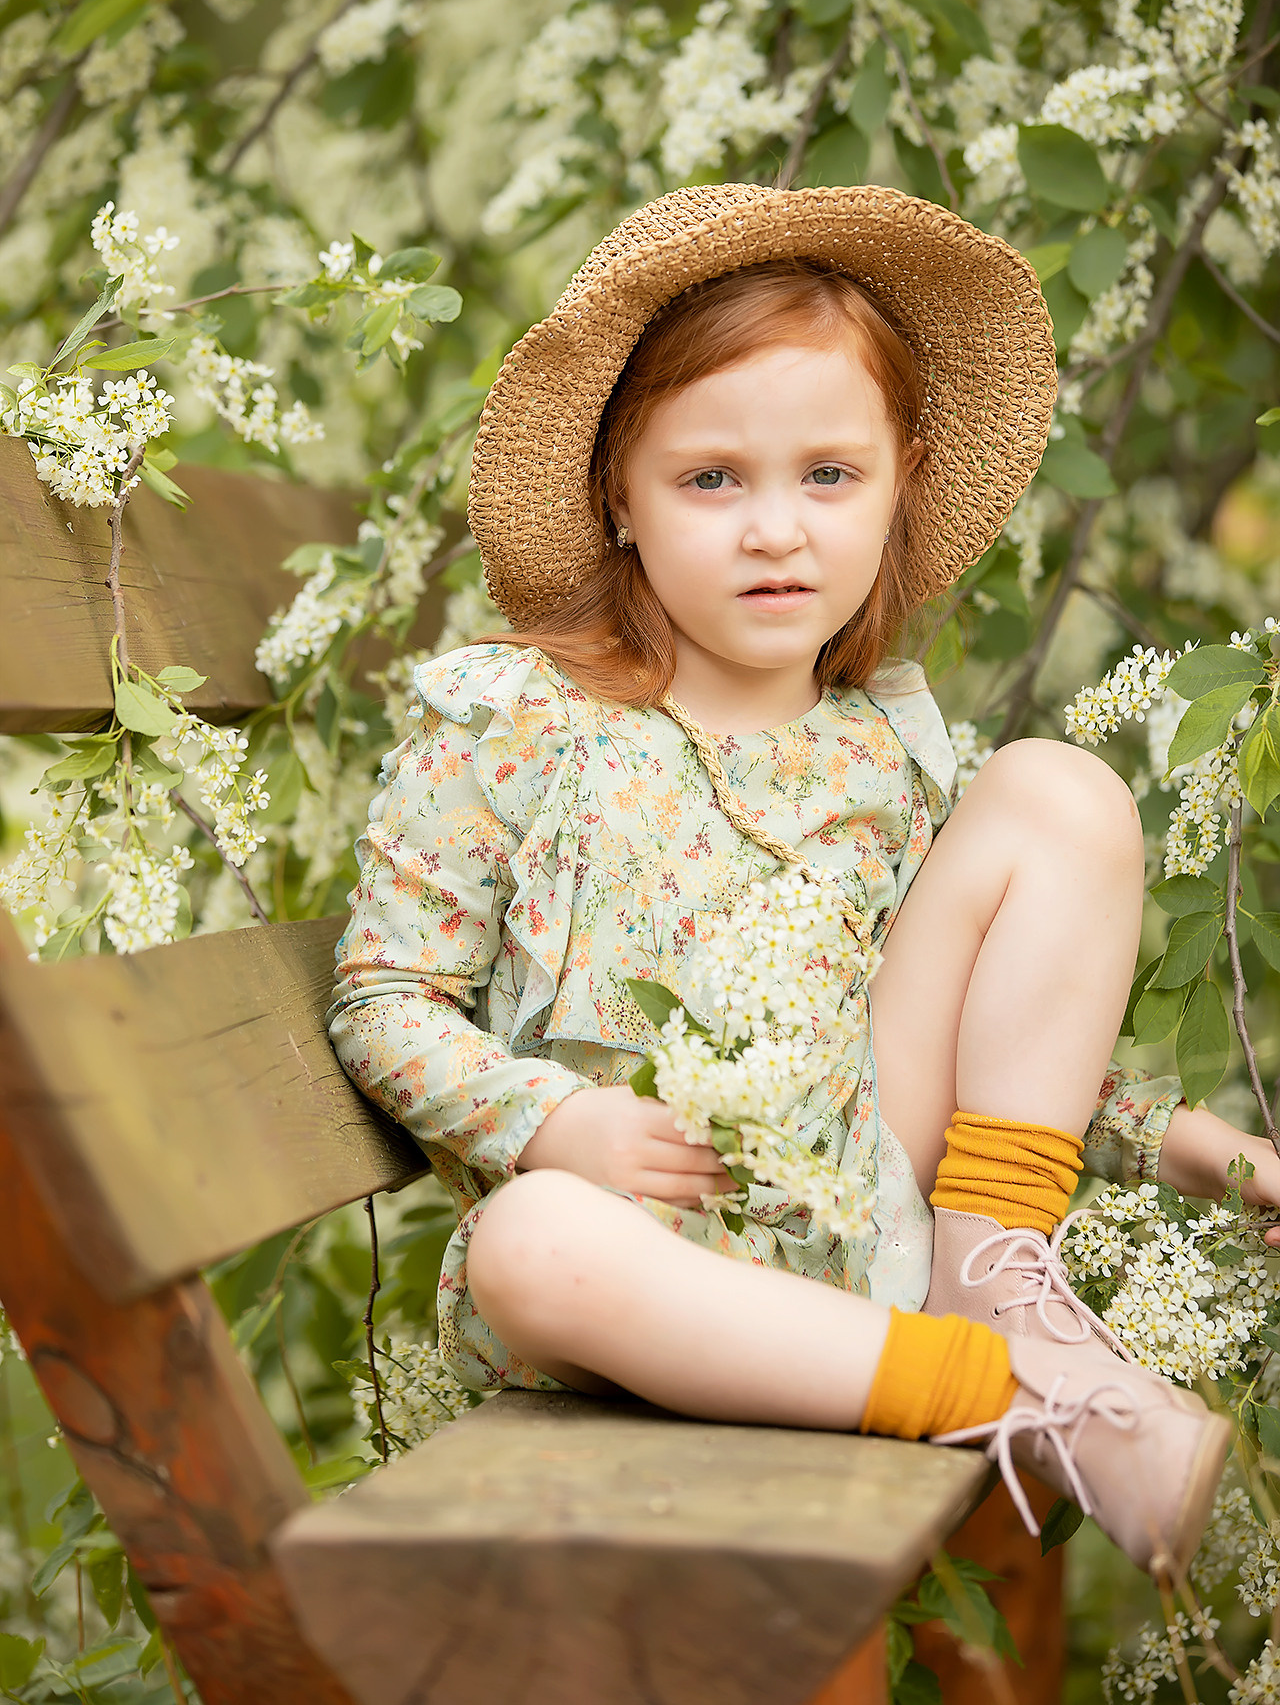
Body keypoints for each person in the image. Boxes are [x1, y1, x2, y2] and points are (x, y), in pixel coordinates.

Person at [329, 183, 1260, 1580]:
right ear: (620, 497)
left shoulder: (883, 751)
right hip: (654, 1260)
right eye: (712, 480)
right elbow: (386, 1000)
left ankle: (1001, 1295)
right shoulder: (517, 723)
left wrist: (1204, 1151)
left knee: (1058, 790)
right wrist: (554, 1120)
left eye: (829, 475)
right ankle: (996, 1393)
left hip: (870, 1213)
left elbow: (993, 1040)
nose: (776, 529)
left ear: (901, 483)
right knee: (527, 1244)